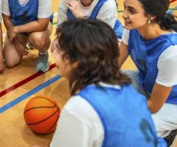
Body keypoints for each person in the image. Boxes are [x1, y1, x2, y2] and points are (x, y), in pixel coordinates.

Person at [50, 19, 166, 147]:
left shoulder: (78, 108)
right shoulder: (125, 86)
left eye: (59, 49)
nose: (54, 53)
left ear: (77, 61)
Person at [118, 0, 177, 146]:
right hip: (148, 85)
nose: (124, 14)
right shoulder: (132, 28)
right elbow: (112, 67)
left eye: (132, 10)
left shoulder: (171, 52)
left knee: (130, 132)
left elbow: (154, 105)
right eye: (125, 7)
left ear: (150, 16)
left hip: (171, 102)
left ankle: (164, 138)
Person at [2, 0, 52, 72]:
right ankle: (27, 39)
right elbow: (6, 18)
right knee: (10, 62)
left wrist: (16, 29)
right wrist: (16, 42)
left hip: (37, 28)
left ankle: (43, 54)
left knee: (37, 38)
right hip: (18, 29)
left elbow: (42, 24)